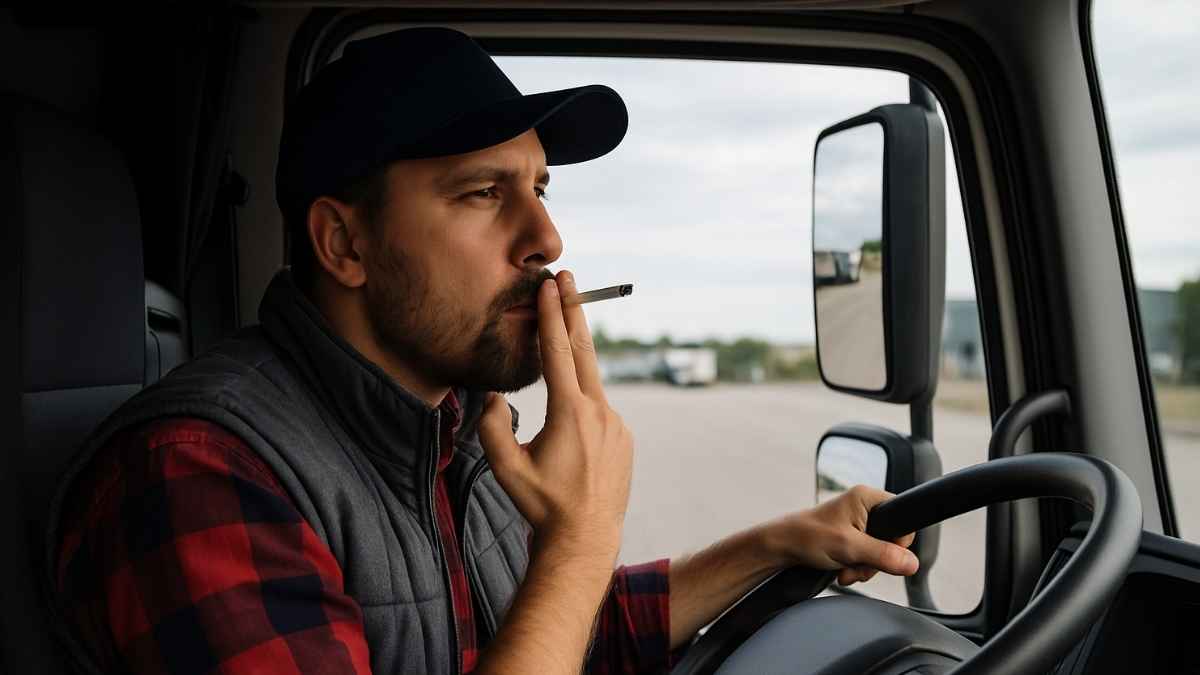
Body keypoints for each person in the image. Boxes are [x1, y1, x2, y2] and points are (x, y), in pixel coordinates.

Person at [47, 26, 918, 675]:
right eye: (481, 192)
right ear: (343, 245)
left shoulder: (453, 426)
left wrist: (778, 544)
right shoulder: (199, 473)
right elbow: (561, 596)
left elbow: (562, 628)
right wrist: (580, 534)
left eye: (538, 187)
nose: (547, 235)